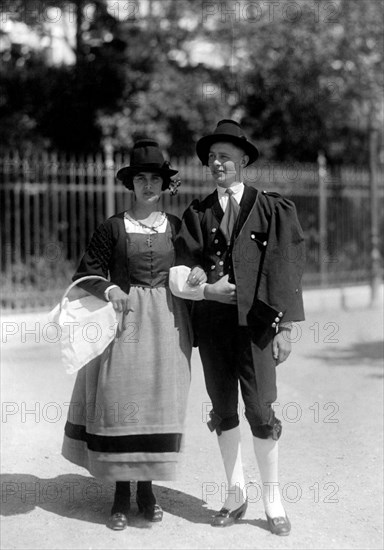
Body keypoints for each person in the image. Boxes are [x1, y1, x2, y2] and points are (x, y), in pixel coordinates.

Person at [173, 119, 305, 536]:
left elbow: (285, 268)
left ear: (244, 160)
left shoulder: (271, 208)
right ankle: (235, 495)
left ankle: (272, 500)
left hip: (258, 326)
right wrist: (201, 280)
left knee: (262, 411)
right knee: (224, 410)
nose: (217, 163)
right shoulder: (196, 212)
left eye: (225, 156)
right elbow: (186, 260)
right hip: (212, 326)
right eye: (212, 157)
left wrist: (285, 328)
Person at [61, 139, 195, 530]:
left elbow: (192, 269)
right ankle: (121, 493)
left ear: (163, 184)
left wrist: (200, 274)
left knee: (158, 401)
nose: (148, 186)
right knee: (119, 399)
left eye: (155, 178)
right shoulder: (113, 227)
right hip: (122, 326)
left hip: (169, 326)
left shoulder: (178, 227)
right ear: (131, 184)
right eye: (141, 179)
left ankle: (148, 490)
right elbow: (84, 274)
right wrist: (110, 288)